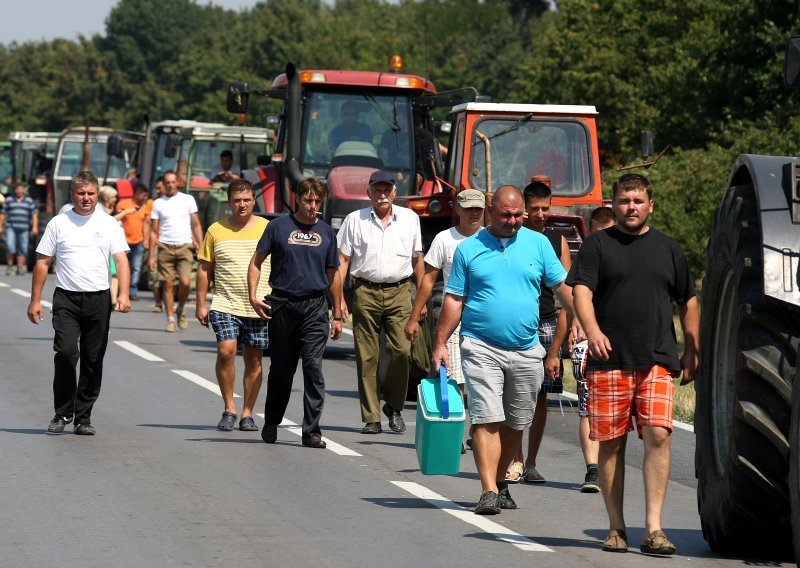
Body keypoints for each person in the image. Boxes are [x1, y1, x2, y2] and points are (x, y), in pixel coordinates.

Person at [566, 173, 699, 555]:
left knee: (658, 434)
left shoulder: (668, 249)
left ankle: (653, 528)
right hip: (610, 359)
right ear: (614, 204)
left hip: (657, 356)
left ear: (650, 205)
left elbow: (688, 301)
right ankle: (616, 527)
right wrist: (591, 331)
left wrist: (692, 348)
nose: (631, 207)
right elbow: (582, 292)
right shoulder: (597, 245)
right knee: (611, 444)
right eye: (624, 201)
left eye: (638, 201)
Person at [431, 185, 572, 515]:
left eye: (517, 214)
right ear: (491, 211)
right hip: (481, 346)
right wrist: (440, 343)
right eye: (506, 215)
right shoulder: (470, 249)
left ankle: (500, 480)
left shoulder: (537, 244)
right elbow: (454, 299)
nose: (513, 221)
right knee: (486, 416)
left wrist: (581, 321)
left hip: (526, 348)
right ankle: (489, 490)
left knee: (515, 421)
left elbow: (562, 287)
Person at [27, 170, 131, 435]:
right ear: (72, 194)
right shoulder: (59, 223)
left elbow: (121, 260)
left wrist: (123, 294)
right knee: (65, 353)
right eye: (81, 193)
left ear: (97, 194)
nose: (86, 198)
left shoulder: (108, 224)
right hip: (66, 298)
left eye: (91, 193)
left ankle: (83, 417)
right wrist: (35, 300)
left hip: (98, 298)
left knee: (93, 358)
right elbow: (42, 262)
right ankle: (62, 413)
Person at [248, 177, 344, 448]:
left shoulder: (326, 232)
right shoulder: (278, 227)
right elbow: (256, 263)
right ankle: (272, 420)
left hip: (315, 306)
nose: (313, 206)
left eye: (317, 201)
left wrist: (337, 312)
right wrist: (253, 297)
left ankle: (311, 430)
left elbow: (333, 273)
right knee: (281, 369)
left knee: (313, 368)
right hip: (283, 305)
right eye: (308, 200)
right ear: (297, 199)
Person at [337, 170, 424, 434]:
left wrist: (420, 302)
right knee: (367, 356)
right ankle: (371, 417)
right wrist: (338, 299)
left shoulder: (410, 219)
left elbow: (418, 260)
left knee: (401, 351)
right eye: (377, 190)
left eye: (387, 189)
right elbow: (342, 261)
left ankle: (394, 406)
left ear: (394, 193)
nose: (382, 194)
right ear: (369, 193)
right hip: (365, 291)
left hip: (400, 291)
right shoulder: (355, 220)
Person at [505, 180, 573, 484]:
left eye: (546, 208)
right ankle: (514, 457)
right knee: (515, 394)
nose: (541, 214)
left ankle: (531, 461)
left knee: (542, 395)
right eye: (535, 209)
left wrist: (562, 339)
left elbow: (567, 292)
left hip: (547, 323)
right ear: (524, 208)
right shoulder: (511, 236)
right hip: (518, 323)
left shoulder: (557, 241)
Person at [196, 179, 270, 432]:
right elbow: (205, 268)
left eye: (247, 200)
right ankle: (229, 408)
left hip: (259, 304)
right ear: (229, 202)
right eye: (237, 200)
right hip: (225, 302)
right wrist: (201, 304)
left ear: (253, 201)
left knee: (253, 357)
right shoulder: (216, 230)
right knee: (226, 351)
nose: (242, 205)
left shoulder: (267, 228)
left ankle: (247, 412)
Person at [404, 188, 485, 395]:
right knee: (453, 378)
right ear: (458, 209)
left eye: (478, 209)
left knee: (482, 381)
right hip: (453, 317)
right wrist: (414, 317)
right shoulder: (444, 239)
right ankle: (456, 421)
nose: (474, 213)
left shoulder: (490, 239)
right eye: (469, 209)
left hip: (484, 317)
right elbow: (429, 280)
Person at [570, 205, 616, 493]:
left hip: (620, 338)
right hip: (589, 339)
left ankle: (611, 465)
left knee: (613, 407)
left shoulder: (627, 252)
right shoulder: (587, 257)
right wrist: (574, 323)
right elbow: (574, 293)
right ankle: (592, 469)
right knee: (587, 405)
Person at [148, 170, 203, 332]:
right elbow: (153, 231)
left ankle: (181, 307)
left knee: (185, 282)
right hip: (165, 246)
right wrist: (151, 255)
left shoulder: (188, 199)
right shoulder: (158, 203)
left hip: (185, 245)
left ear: (177, 182)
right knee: (169, 284)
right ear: (163, 185)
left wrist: (200, 243)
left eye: (173, 182)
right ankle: (171, 318)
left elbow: (196, 224)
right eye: (167, 183)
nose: (170, 185)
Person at [117, 183, 151, 301]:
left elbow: (147, 224)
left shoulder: (145, 207)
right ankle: (120, 290)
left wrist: (146, 240)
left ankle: (132, 291)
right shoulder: (123, 204)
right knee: (123, 266)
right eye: (143, 195)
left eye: (146, 196)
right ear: (136, 194)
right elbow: (117, 219)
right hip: (124, 241)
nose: (144, 198)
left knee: (136, 268)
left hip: (138, 242)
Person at [0, 182, 38, 275]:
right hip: (10, 227)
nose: (19, 190)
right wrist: (0, 226)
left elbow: (34, 214)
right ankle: (10, 267)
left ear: (23, 190)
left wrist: (35, 227)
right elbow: (3, 214)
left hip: (24, 228)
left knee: (23, 248)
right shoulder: (9, 200)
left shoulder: (29, 201)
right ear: (15, 190)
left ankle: (20, 267)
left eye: (21, 188)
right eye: (17, 188)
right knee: (9, 246)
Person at [145, 177, 166, 313]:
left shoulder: (176, 202)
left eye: (160, 188)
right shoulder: (152, 203)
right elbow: (147, 222)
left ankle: (167, 300)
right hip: (156, 243)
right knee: (154, 274)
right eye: (156, 188)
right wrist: (146, 239)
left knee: (169, 276)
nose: (158, 191)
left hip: (169, 243)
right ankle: (158, 302)